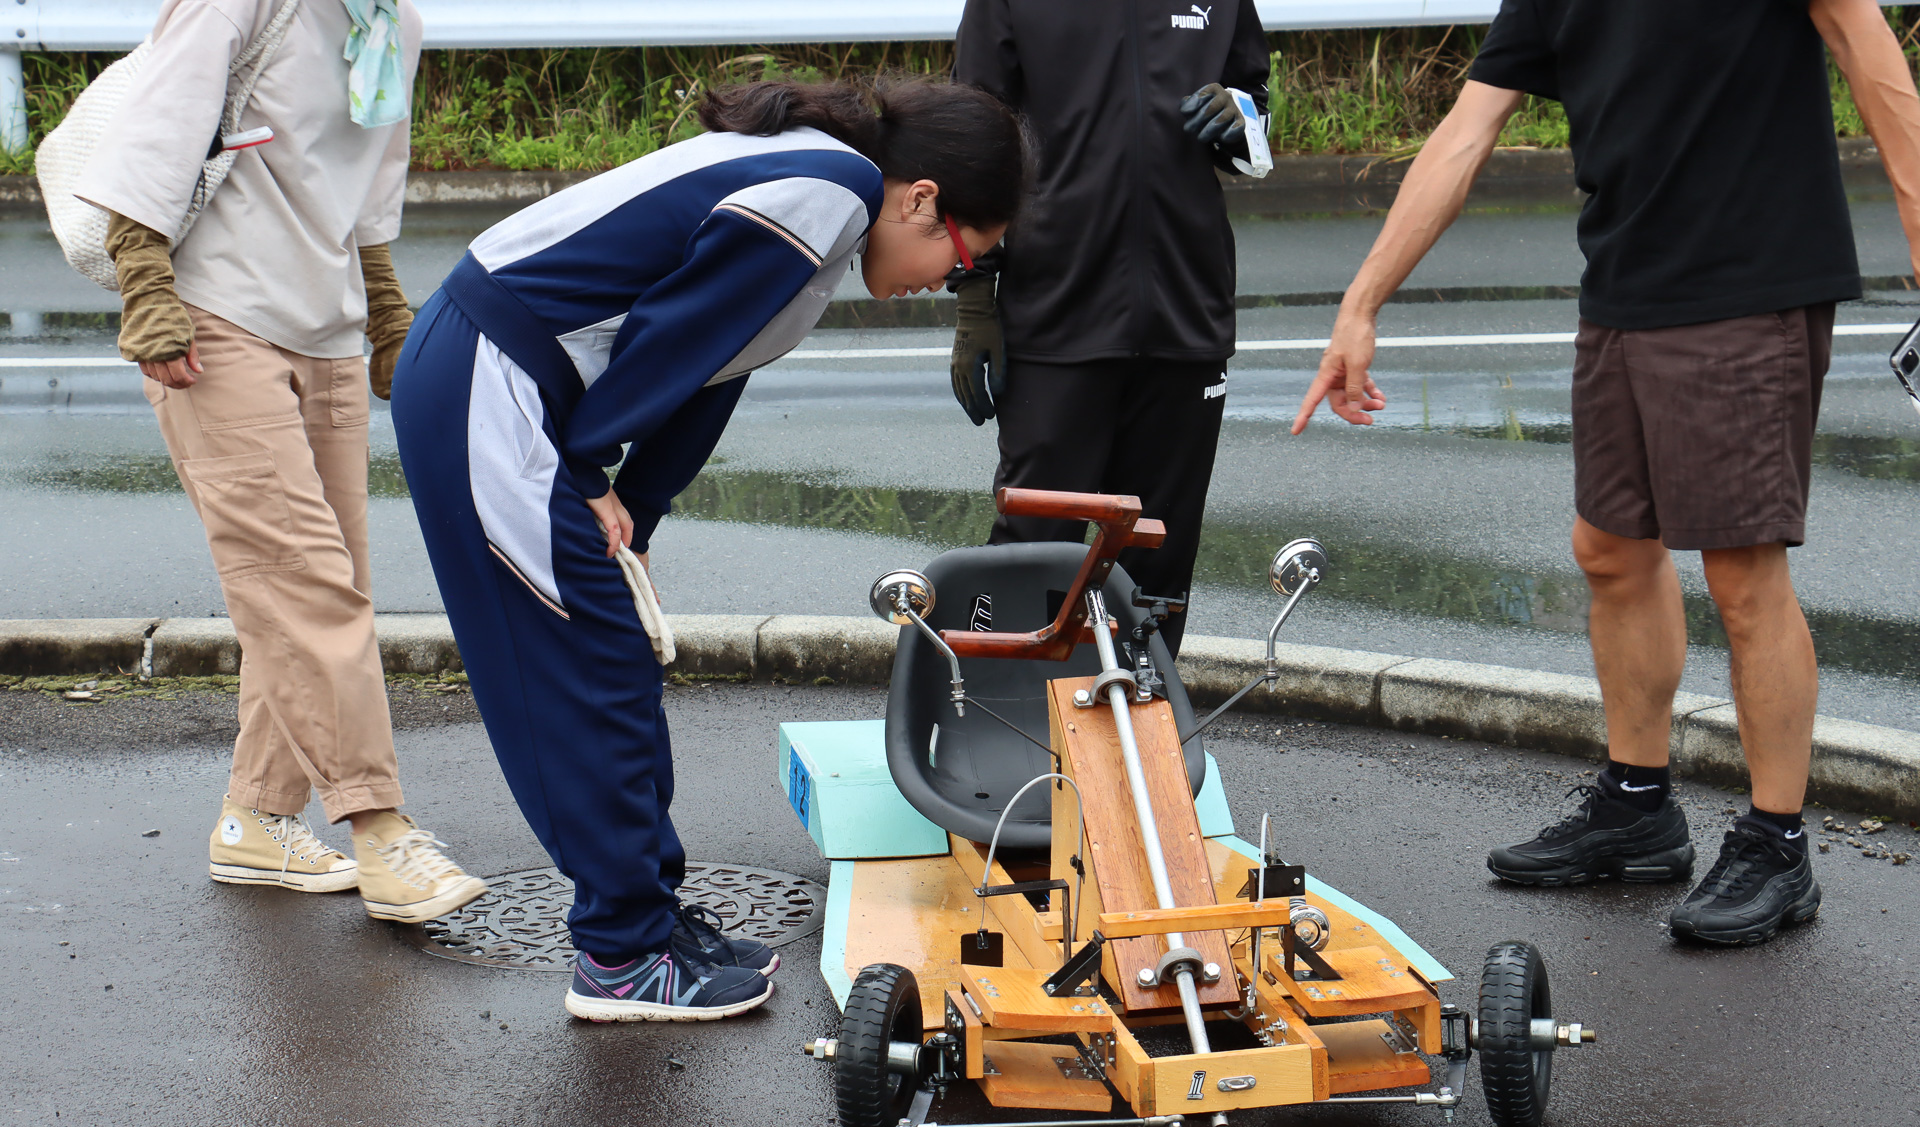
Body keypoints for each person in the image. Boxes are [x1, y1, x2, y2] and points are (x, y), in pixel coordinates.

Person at [390, 78, 1030, 1020]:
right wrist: (590, 463)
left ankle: (649, 918)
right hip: (493, 382)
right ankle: (619, 956)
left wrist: (632, 511)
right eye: (965, 253)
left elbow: (708, 369)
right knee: (578, 672)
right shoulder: (832, 188)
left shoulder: (830, 200)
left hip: (514, 386)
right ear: (922, 198)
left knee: (614, 661)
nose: (951, 279)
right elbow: (669, 339)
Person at [1293, 0, 1920, 945]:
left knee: (1743, 574)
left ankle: (1776, 845)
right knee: (1612, 549)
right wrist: (1361, 303)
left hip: (1752, 282)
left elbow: (1871, 55)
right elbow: (1467, 132)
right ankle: (1638, 805)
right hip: (1623, 284)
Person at [73, 0, 486, 922]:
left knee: (321, 587)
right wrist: (147, 288)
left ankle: (257, 820)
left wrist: (384, 308)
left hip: (328, 325)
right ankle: (379, 827)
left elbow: (371, 182)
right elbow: (150, 136)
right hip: (212, 319)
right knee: (302, 584)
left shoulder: (392, 23)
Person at [949, 0, 1271, 655]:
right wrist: (976, 292)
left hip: (1187, 308)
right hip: (1057, 308)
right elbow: (970, 136)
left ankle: (1139, 726)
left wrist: (1243, 120)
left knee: (1158, 551)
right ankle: (986, 712)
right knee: (1034, 543)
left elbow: (1254, 101)